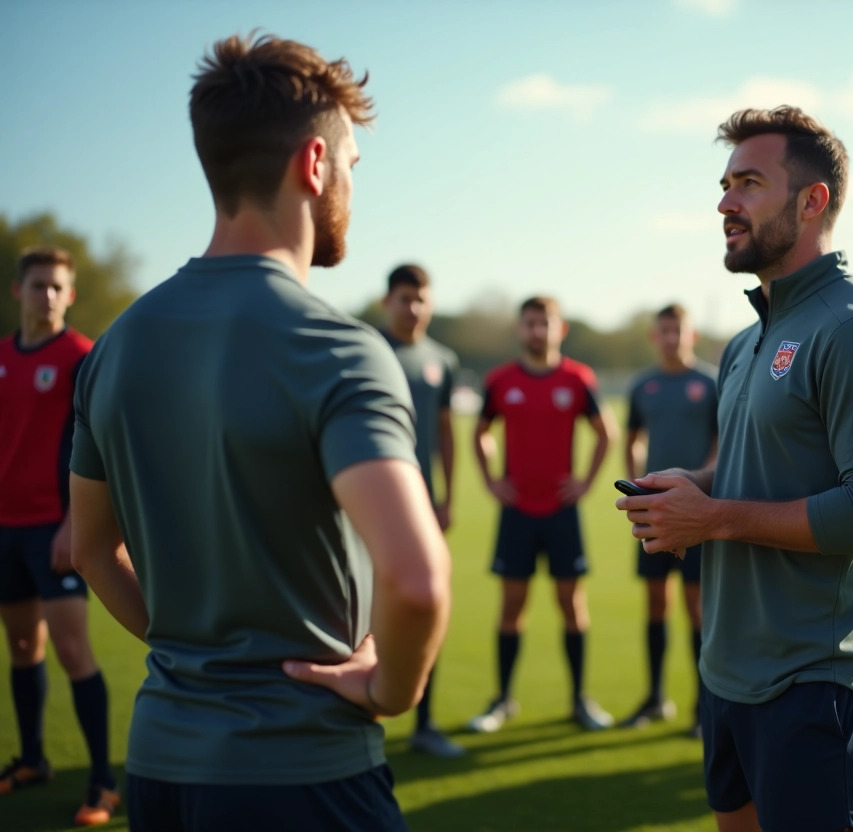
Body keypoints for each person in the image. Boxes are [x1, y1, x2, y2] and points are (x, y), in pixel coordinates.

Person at [68, 34, 450, 832]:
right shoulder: (337, 348)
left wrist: (191, 651)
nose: (352, 183)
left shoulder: (117, 346)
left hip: (160, 769)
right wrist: (390, 691)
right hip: (303, 774)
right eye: (351, 163)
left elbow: (90, 548)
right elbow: (416, 582)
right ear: (314, 165)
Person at [616, 106, 853, 832]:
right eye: (724, 184)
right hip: (728, 672)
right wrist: (694, 487)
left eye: (749, 183)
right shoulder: (748, 340)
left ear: (812, 201)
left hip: (816, 680)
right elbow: (744, 468)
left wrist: (716, 518)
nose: (725, 202)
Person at [0, 246, 118, 826]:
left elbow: (98, 450)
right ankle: (32, 759)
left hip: (56, 525)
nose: (46, 294)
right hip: (6, 528)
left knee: (72, 650)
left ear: (69, 295)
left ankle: (102, 782)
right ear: (18, 291)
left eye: (56, 287)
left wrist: (74, 522)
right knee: (23, 648)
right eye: (37, 284)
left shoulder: (83, 357)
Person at [468, 296, 616, 733]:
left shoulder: (577, 378)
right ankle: (502, 700)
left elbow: (606, 431)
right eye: (530, 323)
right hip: (516, 512)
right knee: (512, 605)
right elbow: (479, 433)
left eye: (545, 323)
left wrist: (586, 482)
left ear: (560, 329)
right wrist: (493, 480)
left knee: (571, 604)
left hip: (560, 513)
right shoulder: (499, 380)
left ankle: (579, 701)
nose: (537, 331)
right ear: (520, 329)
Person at [620, 304, 718, 736]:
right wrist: (638, 487)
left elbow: (724, 440)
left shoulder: (710, 382)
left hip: (696, 511)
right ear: (653, 337)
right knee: (655, 602)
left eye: (678, 330)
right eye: (664, 330)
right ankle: (656, 697)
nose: (671, 337)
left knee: (697, 607)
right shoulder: (644, 385)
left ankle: (703, 707)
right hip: (652, 509)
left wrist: (701, 487)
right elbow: (632, 439)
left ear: (691, 335)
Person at [380, 263, 463, 759]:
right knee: (360, 611)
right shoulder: (366, 349)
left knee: (426, 607)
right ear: (387, 301)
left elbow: (447, 432)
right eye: (404, 298)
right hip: (365, 506)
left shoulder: (442, 360)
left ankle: (425, 725)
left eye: (421, 298)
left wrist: (448, 496)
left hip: (423, 507)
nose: (413, 307)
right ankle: (354, 722)